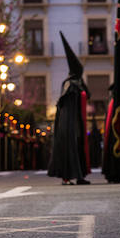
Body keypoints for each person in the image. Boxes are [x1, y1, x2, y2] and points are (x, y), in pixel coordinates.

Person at [47, 33, 91, 185]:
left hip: (76, 124)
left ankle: (79, 175)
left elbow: (88, 95)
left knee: (77, 147)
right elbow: (67, 107)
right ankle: (69, 176)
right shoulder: (70, 86)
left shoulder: (75, 85)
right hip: (70, 126)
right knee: (71, 148)